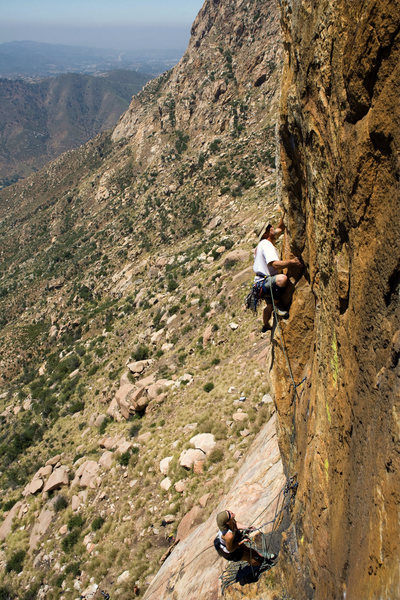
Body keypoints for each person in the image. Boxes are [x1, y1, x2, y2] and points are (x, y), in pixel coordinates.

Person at [253, 215, 302, 332]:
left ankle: (265, 324)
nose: (272, 227)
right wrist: (292, 262)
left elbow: (280, 228)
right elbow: (274, 264)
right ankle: (277, 304)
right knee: (282, 279)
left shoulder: (263, 243)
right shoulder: (266, 244)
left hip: (260, 284)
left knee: (268, 306)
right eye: (269, 227)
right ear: (265, 233)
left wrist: (284, 215)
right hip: (265, 283)